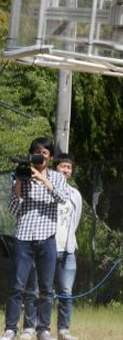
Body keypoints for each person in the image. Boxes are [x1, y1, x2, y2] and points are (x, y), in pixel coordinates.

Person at [2, 138, 69, 340]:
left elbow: (62, 199)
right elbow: (14, 209)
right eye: (37, 152)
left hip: (47, 238)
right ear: (31, 155)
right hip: (23, 237)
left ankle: (43, 329)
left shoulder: (57, 178)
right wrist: (20, 183)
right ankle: (11, 328)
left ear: (49, 157)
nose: (41, 156)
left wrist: (43, 180)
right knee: (17, 285)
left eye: (45, 153)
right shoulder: (21, 176)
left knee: (47, 288)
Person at [18, 154, 83, 340]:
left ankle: (63, 330)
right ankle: (33, 327)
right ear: (55, 168)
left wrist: (70, 240)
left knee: (66, 293)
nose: (66, 170)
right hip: (46, 246)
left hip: (68, 249)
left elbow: (75, 220)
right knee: (37, 290)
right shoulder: (42, 188)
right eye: (63, 166)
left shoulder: (75, 194)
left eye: (69, 168)